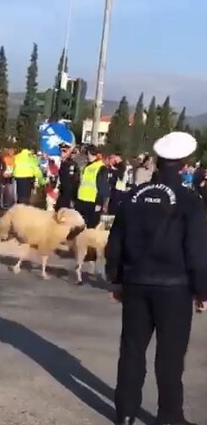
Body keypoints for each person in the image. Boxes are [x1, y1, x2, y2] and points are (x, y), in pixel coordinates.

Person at [105, 131, 207, 425]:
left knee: (132, 351)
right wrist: (202, 291)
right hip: (174, 288)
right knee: (170, 357)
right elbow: (197, 251)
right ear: (185, 163)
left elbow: (116, 242)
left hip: (136, 284)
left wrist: (116, 278)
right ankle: (169, 416)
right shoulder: (190, 201)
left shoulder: (133, 196)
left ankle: (124, 412)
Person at [74, 145, 109, 228]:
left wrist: (99, 203)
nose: (87, 156)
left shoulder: (101, 167)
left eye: (88, 154)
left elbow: (102, 187)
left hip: (92, 202)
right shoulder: (87, 166)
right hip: (82, 200)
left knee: (91, 227)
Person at [55, 143, 79, 211]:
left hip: (68, 194)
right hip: (61, 192)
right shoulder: (61, 163)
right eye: (61, 151)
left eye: (64, 151)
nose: (62, 153)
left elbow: (74, 181)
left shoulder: (71, 164)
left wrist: (73, 198)